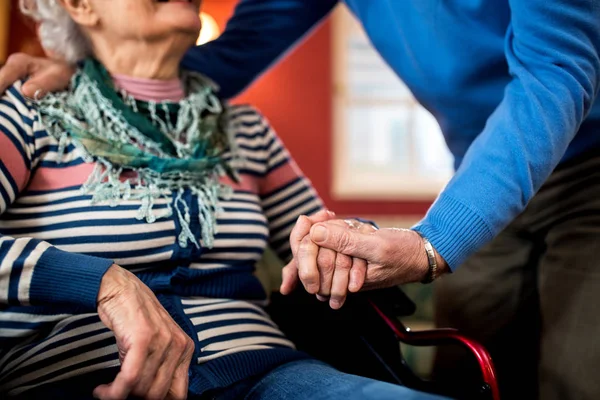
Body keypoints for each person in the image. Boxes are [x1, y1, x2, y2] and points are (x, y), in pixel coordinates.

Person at [3, 1, 600, 399]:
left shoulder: (247, 132)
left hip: (273, 373)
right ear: (78, 4)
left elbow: (556, 68)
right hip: (86, 373)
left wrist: (349, 245)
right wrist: (104, 281)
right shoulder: (26, 110)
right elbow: (240, 48)